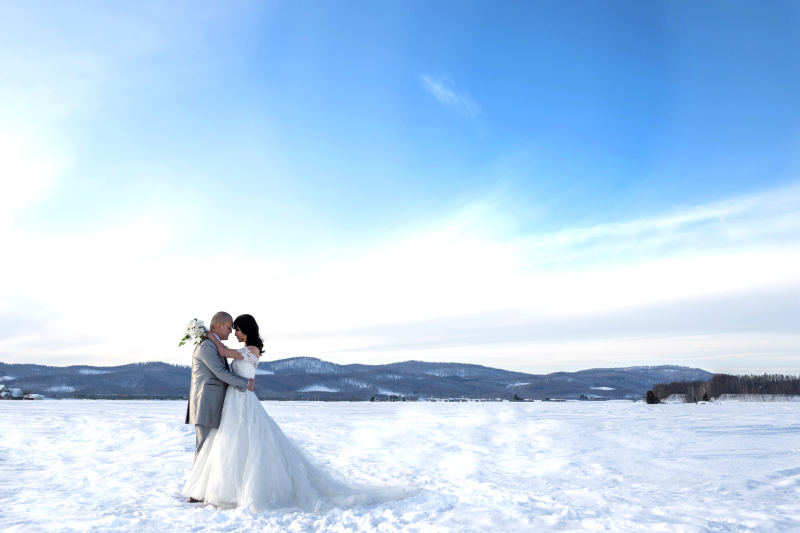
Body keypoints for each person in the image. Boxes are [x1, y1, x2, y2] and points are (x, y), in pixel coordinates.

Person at [182, 313, 418, 513]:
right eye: (231, 328)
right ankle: (221, 486)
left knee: (246, 443)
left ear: (246, 330)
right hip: (234, 400)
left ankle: (238, 489)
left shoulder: (250, 349)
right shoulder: (239, 347)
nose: (234, 332)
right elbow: (224, 353)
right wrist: (207, 336)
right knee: (230, 444)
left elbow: (223, 352)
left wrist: (207, 336)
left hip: (242, 399)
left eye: (237, 329)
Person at [185, 311, 255, 468]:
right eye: (229, 327)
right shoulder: (207, 346)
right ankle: (196, 492)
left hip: (214, 404)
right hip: (206, 404)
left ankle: (205, 489)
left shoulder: (214, 344)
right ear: (219, 326)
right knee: (204, 448)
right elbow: (220, 372)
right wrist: (245, 383)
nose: (231, 331)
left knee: (212, 449)